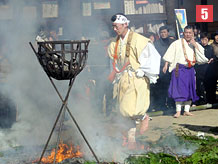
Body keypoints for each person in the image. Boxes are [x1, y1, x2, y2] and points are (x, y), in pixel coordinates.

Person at [107, 13, 161, 148]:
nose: (114, 29)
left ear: (125, 24)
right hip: (123, 79)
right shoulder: (114, 42)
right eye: (113, 26)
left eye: (116, 26)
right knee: (123, 112)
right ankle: (131, 140)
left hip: (137, 78)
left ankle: (143, 117)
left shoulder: (140, 40)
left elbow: (153, 57)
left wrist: (145, 71)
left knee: (129, 109)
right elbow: (114, 62)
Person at [162, 25, 209, 118]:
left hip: (190, 69)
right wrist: (166, 64)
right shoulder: (176, 43)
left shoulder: (195, 43)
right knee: (179, 90)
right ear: (183, 33)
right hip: (179, 69)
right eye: (186, 33)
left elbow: (203, 56)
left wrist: (195, 44)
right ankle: (178, 111)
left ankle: (186, 110)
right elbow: (170, 53)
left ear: (193, 34)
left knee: (189, 90)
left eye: (190, 33)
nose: (188, 35)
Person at [152, 26, 175, 111]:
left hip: (172, 68)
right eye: (161, 32)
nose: (163, 34)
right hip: (161, 68)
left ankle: (171, 104)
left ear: (168, 33)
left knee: (172, 86)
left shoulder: (173, 42)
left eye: (165, 32)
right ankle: (161, 105)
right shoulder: (156, 43)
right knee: (162, 88)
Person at [195, 32, 215, 105]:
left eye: (205, 40)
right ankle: (201, 100)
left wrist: (212, 59)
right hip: (199, 69)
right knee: (199, 86)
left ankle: (210, 100)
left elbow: (213, 56)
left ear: (208, 40)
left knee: (209, 86)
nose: (204, 42)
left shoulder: (210, 48)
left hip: (208, 69)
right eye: (202, 40)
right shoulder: (198, 47)